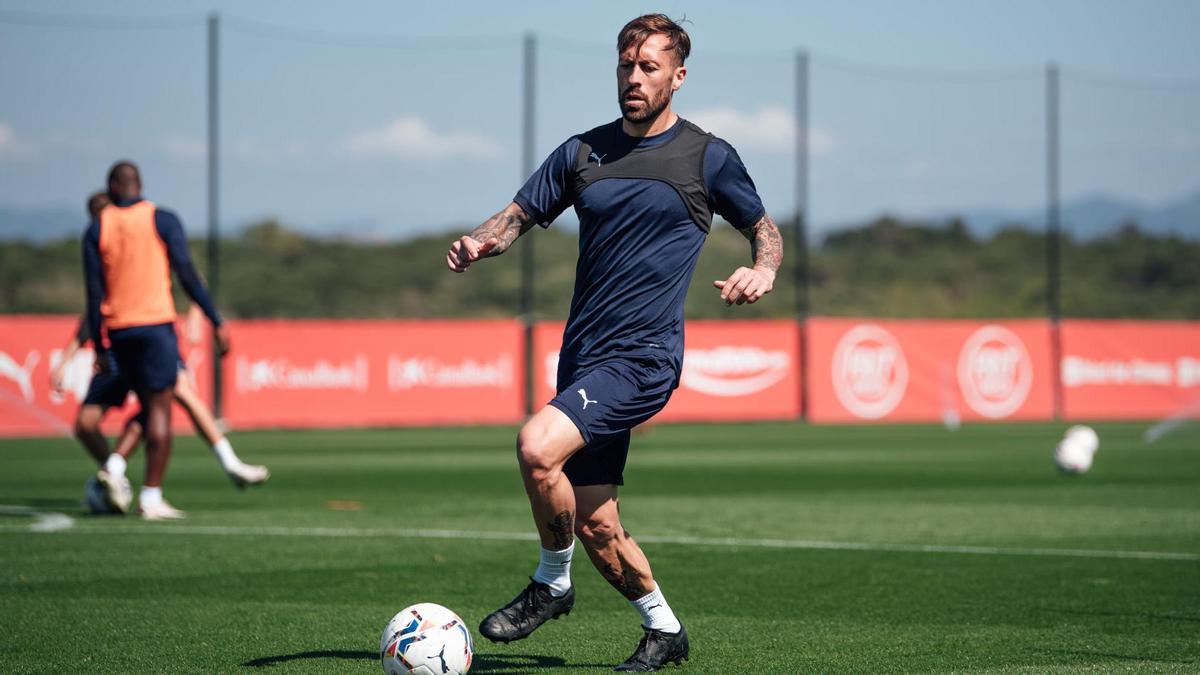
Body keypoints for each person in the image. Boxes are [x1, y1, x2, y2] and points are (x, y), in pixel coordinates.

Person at [445, 15, 783, 671]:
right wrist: (481, 241)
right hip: (584, 358)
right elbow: (518, 215)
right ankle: (665, 630)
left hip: (643, 359)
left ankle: (550, 580)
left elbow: (764, 229)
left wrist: (762, 269)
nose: (633, 78)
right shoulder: (582, 152)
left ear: (678, 77)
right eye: (626, 66)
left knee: (534, 444)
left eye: (649, 67)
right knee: (597, 521)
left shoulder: (707, 155)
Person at [83, 161, 231, 520]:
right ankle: (151, 496)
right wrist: (215, 320)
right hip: (155, 326)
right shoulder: (162, 219)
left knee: (147, 409)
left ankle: (116, 468)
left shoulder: (97, 227)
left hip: (119, 331)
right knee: (158, 409)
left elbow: (93, 293)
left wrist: (101, 349)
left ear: (112, 187)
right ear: (139, 184)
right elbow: (187, 273)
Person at [51, 304, 269, 498]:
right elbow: (94, 308)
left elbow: (189, 273)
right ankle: (114, 476)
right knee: (85, 425)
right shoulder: (106, 262)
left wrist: (197, 312)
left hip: (154, 338)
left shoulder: (153, 259)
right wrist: (64, 360)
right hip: (115, 346)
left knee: (178, 393)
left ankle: (230, 463)